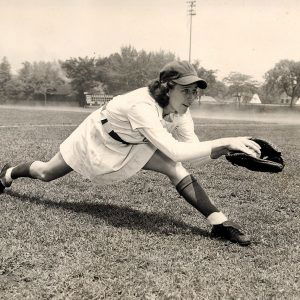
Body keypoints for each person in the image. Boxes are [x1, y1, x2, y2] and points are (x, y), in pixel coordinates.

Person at [0, 60, 261, 246]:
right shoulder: (141, 105)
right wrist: (226, 139)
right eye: (185, 90)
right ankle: (9, 173)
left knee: (174, 168)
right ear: (167, 86)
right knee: (46, 173)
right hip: (97, 136)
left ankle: (220, 224)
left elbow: (190, 155)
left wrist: (222, 150)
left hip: (133, 144)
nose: (191, 96)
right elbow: (174, 149)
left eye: (195, 91)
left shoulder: (182, 111)